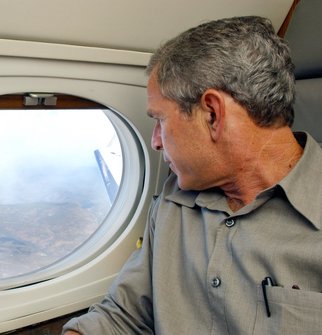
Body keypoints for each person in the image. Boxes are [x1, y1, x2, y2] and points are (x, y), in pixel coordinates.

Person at [62, 16, 322, 335]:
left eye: (160, 121)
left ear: (212, 114)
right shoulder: (175, 198)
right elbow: (124, 316)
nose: (155, 141)